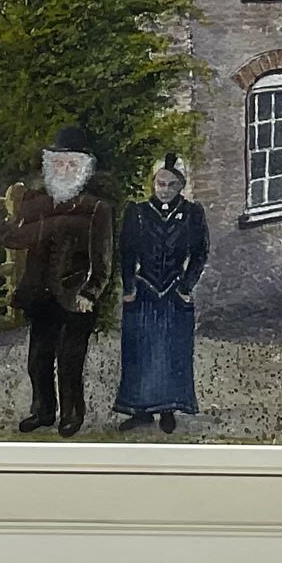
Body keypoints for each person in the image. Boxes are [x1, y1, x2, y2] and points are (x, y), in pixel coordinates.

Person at [0, 123, 113, 437]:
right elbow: (15, 237)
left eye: (72, 164)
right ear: (49, 165)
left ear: (83, 169)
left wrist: (91, 293)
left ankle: (72, 415)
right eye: (59, 163)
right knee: (38, 360)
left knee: (70, 362)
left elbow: (104, 260)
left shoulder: (96, 208)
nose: (64, 169)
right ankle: (42, 411)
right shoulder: (34, 201)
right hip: (40, 294)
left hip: (75, 296)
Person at [113, 154, 209, 434]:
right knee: (141, 351)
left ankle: (167, 409)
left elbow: (200, 253)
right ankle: (140, 410)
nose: (164, 189)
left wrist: (186, 287)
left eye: (171, 184)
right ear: (153, 183)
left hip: (173, 291)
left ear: (181, 186)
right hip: (144, 290)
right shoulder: (138, 212)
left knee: (171, 350)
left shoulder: (192, 213)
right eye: (160, 183)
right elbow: (127, 252)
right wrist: (129, 287)